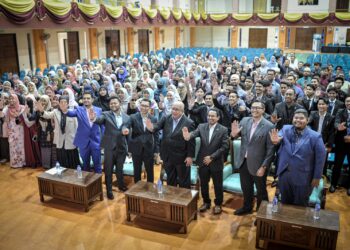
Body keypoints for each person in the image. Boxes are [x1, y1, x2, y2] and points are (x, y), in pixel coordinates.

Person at [270, 109, 326, 206]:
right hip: (285, 175)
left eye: (301, 118)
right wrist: (276, 140)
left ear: (307, 120)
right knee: (284, 202)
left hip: (304, 177)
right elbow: (278, 137)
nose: (298, 120)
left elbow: (320, 160)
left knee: (300, 205)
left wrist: (317, 177)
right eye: (296, 118)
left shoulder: (315, 136)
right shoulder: (286, 129)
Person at [231, 101, 275, 216]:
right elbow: (237, 135)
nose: (254, 110)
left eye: (258, 108)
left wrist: (264, 166)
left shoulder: (269, 126)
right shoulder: (245, 121)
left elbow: (271, 150)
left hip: (258, 164)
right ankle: (247, 207)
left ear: (263, 110)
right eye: (252, 107)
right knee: (246, 188)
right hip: (243, 162)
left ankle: (262, 213)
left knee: (261, 191)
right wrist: (234, 134)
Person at [182, 108, 229, 214]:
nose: (210, 118)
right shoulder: (201, 126)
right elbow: (194, 134)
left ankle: (218, 204)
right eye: (209, 116)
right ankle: (206, 202)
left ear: (218, 117)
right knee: (203, 183)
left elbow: (225, 147)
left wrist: (211, 157)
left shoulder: (223, 129)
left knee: (218, 184)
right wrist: (188, 136)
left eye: (213, 116)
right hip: (202, 161)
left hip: (216, 161)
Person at [146, 101, 195, 189]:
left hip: (181, 157)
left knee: (183, 181)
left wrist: (190, 156)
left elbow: (191, 142)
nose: (174, 111)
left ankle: (183, 200)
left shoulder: (189, 122)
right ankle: (172, 200)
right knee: (170, 180)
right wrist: (151, 127)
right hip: (167, 156)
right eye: (173, 109)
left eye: (177, 110)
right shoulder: (166, 118)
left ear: (182, 111)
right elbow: (157, 127)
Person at [89, 96, 131, 199]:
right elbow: (99, 120)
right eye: (111, 103)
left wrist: (129, 147)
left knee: (120, 169)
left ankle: (121, 185)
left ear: (119, 103)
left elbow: (128, 131)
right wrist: (93, 118)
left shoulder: (127, 117)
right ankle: (109, 190)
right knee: (108, 170)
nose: (113, 105)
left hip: (122, 147)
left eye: (115, 103)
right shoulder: (105, 114)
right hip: (109, 147)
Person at [37, 95, 80, 169]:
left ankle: (73, 175)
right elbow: (47, 115)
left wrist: (77, 140)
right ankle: (62, 173)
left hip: (70, 140)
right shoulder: (55, 111)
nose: (63, 104)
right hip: (59, 139)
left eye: (65, 102)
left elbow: (77, 127)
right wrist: (42, 111)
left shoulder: (73, 112)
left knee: (72, 159)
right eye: (61, 102)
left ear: (68, 104)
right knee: (61, 158)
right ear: (59, 103)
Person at [66, 91, 103, 173]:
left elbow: (102, 125)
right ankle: (86, 184)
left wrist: (103, 140)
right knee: (85, 166)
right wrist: (64, 110)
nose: (86, 100)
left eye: (88, 98)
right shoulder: (78, 109)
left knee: (97, 165)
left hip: (95, 142)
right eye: (84, 98)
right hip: (83, 142)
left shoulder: (99, 110)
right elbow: (70, 113)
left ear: (92, 99)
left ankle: (98, 184)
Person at [129, 98, 159, 183]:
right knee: (137, 171)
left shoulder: (153, 119)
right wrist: (129, 149)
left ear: (150, 108)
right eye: (142, 105)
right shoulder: (133, 117)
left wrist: (156, 151)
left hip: (149, 148)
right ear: (139, 106)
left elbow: (156, 136)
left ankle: (150, 190)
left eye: (146, 106)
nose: (144, 108)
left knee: (150, 171)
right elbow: (128, 132)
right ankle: (136, 190)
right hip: (136, 148)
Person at [308, 98, 335, 177]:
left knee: (322, 162)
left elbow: (332, 133)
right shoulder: (313, 114)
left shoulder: (331, 117)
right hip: (312, 141)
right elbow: (308, 123)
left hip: (324, 143)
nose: (321, 106)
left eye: (323, 104)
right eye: (319, 104)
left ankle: (321, 180)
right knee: (310, 160)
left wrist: (329, 145)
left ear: (327, 105)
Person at [329, 96, 350, 195]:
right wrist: (338, 127)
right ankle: (333, 184)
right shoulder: (340, 111)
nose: (348, 103)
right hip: (341, 142)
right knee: (337, 164)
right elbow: (336, 122)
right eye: (347, 101)